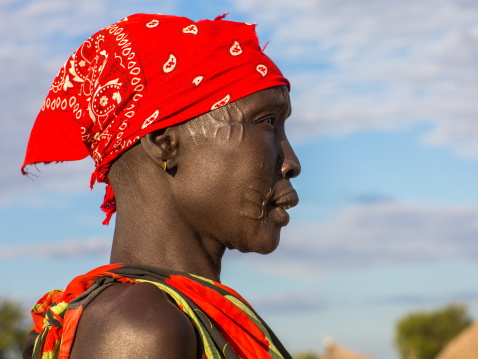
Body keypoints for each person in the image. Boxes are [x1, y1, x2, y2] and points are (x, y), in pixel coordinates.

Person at [22, 13, 300, 359]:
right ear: (164, 141)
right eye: (267, 121)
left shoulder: (183, 315)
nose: (291, 163)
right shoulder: (138, 330)